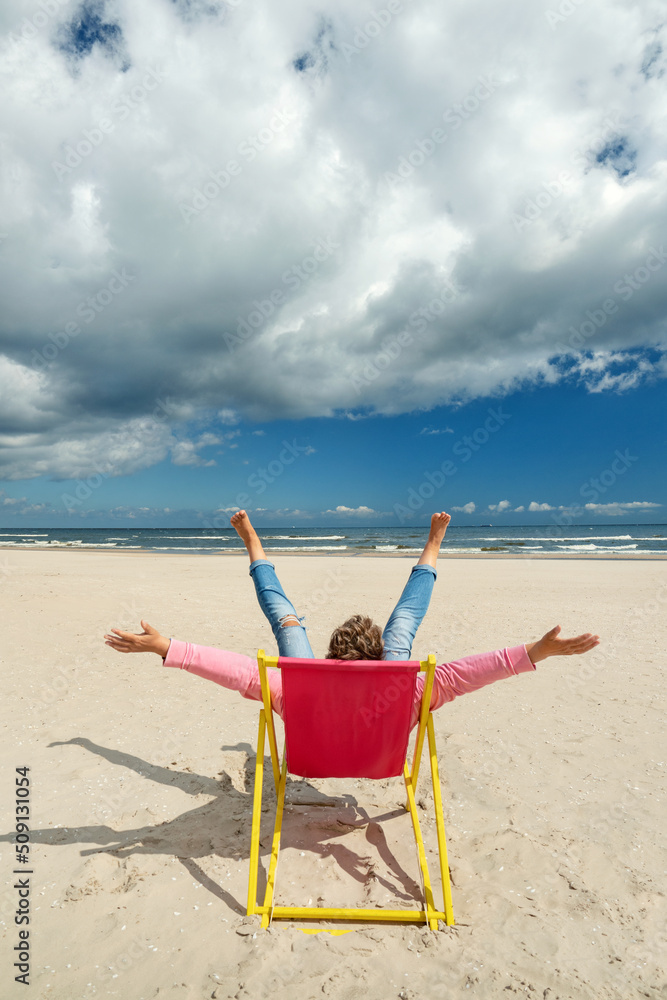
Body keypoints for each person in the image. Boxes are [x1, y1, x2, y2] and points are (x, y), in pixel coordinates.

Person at [104, 511, 599, 728]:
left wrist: (166, 646)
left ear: (333, 656)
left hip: (311, 749)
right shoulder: (406, 689)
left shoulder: (293, 689)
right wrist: (538, 652)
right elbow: (472, 672)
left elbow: (233, 668)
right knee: (404, 625)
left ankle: (254, 545)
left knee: (287, 625)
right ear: (375, 654)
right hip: (380, 760)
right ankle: (432, 545)